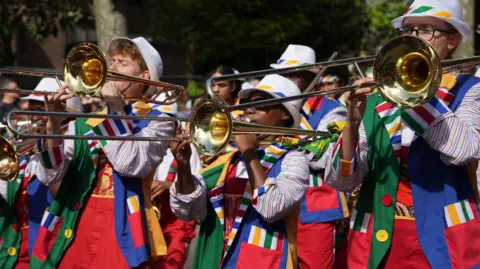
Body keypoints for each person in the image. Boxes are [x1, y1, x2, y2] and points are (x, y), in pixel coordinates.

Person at [325, 0, 480, 268]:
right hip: (377, 237)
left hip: (444, 237)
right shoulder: (376, 99)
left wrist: (416, 91)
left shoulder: (468, 89)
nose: (414, 38)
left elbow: (464, 149)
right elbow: (342, 181)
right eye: (409, 31)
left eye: (426, 30)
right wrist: (351, 122)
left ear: (453, 40)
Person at [29, 37, 175, 269]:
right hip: (75, 221)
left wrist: (116, 108)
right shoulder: (86, 121)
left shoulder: (158, 122)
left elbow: (130, 165)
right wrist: (53, 125)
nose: (112, 68)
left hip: (122, 227)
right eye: (112, 61)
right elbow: (50, 176)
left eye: (123, 63)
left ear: (144, 77)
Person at [170, 74, 309, 269]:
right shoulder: (228, 158)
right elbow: (187, 211)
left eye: (261, 103)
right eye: (245, 102)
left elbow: (272, 207)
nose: (249, 109)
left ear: (284, 114)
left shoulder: (294, 159)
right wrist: (183, 166)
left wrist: (249, 152)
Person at [271, 44, 349, 268]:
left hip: (314, 209)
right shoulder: (271, 107)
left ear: (310, 78)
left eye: (293, 76)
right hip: (275, 203)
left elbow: (323, 156)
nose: (286, 81)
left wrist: (293, 123)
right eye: (283, 75)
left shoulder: (334, 110)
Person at [0, 77, 82, 269]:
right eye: (32, 109)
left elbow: (54, 181)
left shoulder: (74, 147)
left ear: (67, 115)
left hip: (50, 252)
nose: (34, 116)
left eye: (42, 109)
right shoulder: (23, 152)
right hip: (15, 252)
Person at [149, 102, 199, 269]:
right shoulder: (146, 145)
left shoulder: (187, 148)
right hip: (147, 221)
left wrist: (168, 185)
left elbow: (197, 189)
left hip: (175, 222)